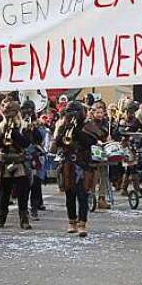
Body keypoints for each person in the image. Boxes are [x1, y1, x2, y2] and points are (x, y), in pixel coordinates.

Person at [53, 101, 104, 237]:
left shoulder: (88, 125)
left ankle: (82, 223)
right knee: (70, 195)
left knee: (82, 195)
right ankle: (72, 221)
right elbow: (57, 143)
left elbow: (94, 139)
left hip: (83, 164)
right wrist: (66, 128)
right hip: (68, 163)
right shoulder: (64, 125)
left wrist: (77, 130)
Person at [0, 98, 33, 230]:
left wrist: (14, 132)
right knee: (5, 193)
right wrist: (5, 131)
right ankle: (2, 219)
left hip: (19, 162)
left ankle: (24, 219)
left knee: (23, 193)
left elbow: (26, 143)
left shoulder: (24, 126)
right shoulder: (0, 126)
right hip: (5, 163)